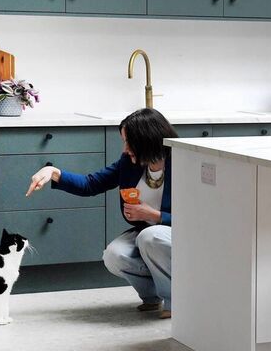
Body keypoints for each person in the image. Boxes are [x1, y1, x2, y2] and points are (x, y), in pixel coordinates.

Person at [26, 108, 178, 318]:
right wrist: (52, 172)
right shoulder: (129, 163)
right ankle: (151, 298)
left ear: (147, 140)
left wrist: (155, 216)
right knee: (114, 255)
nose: (125, 149)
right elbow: (91, 184)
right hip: (147, 235)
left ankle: (175, 301)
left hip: (176, 232)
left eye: (129, 142)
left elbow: (200, 216)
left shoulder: (183, 162)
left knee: (149, 236)